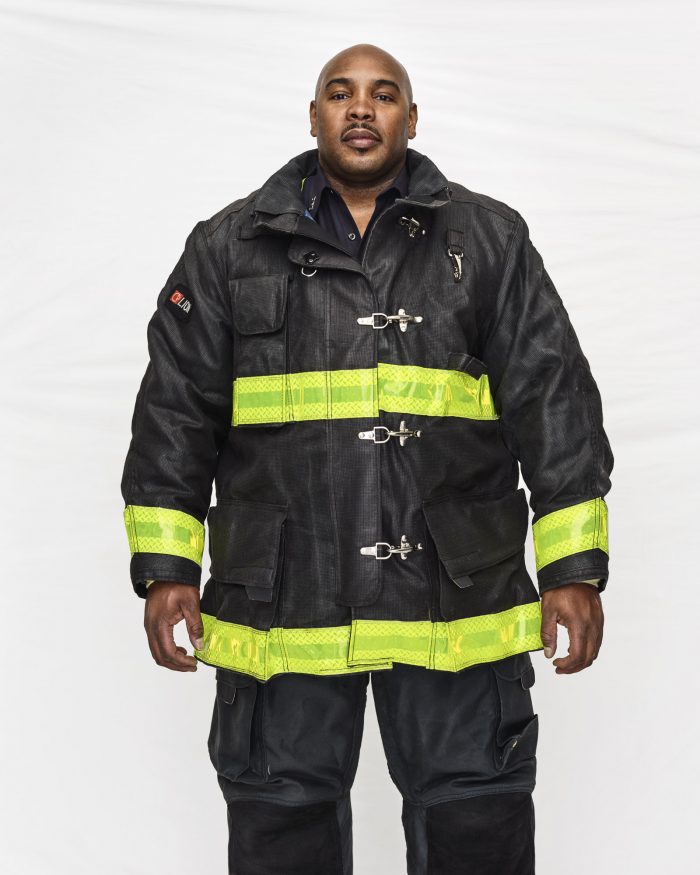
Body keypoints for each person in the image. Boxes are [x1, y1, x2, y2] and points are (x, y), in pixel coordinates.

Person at [120, 42, 613, 875]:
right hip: (282, 596)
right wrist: (167, 567)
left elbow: (554, 400)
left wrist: (574, 568)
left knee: (474, 821)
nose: (360, 107)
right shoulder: (227, 246)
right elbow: (175, 411)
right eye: (340, 92)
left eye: (383, 95)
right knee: (282, 825)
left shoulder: (489, 239)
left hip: (457, 596)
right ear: (313, 115)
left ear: (411, 119)